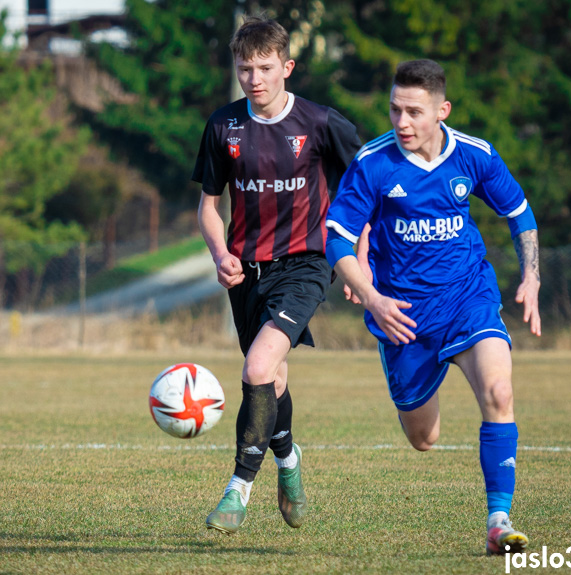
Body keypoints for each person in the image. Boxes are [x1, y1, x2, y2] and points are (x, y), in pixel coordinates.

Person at [325, 59, 541, 555]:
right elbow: (335, 238)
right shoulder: (373, 162)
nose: (402, 123)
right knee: (424, 438)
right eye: (395, 110)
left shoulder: (475, 156)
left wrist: (531, 275)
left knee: (499, 390)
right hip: (402, 316)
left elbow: (519, 213)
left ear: (442, 111)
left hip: (469, 297)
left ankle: (498, 520)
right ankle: (419, 390)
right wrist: (374, 297)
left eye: (415, 113)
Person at [192, 15, 362, 534]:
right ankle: (288, 462)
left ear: (287, 67)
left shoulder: (320, 123)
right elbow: (207, 205)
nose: (254, 78)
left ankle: (237, 491)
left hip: (305, 266)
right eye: (245, 68)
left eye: (265, 68)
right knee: (272, 379)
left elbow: (362, 194)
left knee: (256, 368)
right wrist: (220, 253)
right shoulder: (224, 126)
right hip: (246, 274)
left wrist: (360, 266)